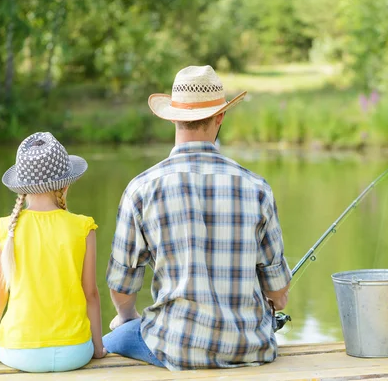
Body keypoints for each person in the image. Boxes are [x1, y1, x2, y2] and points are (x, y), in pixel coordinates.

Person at [104, 65, 292, 370]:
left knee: (111, 340)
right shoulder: (257, 188)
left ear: (173, 117)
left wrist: (127, 316)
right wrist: (272, 303)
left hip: (173, 348)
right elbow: (278, 293)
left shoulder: (141, 189)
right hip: (250, 348)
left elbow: (122, 286)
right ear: (220, 117)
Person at [0, 132, 106, 372]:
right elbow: (91, 294)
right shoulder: (83, 228)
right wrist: (97, 348)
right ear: (65, 184)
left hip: (18, 352)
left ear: (21, 187)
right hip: (74, 352)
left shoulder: (4, 229)